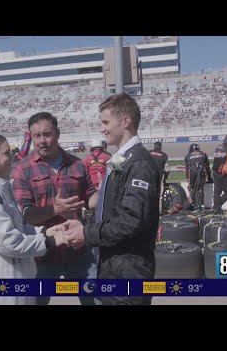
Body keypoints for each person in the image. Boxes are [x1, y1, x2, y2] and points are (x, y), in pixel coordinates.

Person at [61, 92, 161, 305]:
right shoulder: (122, 159)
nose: (102, 128)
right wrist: (83, 224)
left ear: (125, 122)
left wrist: (86, 234)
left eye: (106, 122)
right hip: (114, 265)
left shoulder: (139, 164)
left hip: (129, 269)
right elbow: (111, 210)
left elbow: (131, 221)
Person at [0, 132, 66, 305]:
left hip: (13, 276)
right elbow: (9, 242)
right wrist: (49, 241)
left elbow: (18, 226)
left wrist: (45, 232)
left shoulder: (0, 187)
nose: (12, 156)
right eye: (6, 153)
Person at [10, 111, 99, 306]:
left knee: (96, 301)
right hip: (42, 255)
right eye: (37, 136)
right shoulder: (22, 169)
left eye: (47, 134)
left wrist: (107, 193)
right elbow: (25, 215)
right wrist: (54, 210)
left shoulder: (77, 164)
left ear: (57, 133)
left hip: (79, 252)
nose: (42, 140)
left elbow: (91, 196)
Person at [184, 143, 211, 210]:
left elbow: (187, 168)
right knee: (200, 188)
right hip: (201, 170)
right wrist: (209, 177)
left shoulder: (188, 155)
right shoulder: (203, 154)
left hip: (192, 171)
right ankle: (200, 205)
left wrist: (187, 177)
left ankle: (193, 204)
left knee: (192, 188)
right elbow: (207, 166)